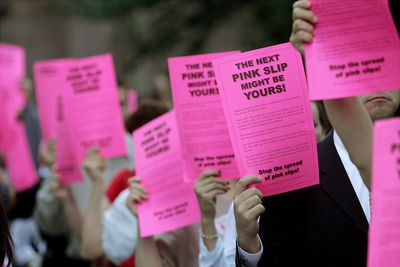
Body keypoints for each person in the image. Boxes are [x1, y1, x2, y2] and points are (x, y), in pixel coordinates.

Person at [234, 1, 400, 266]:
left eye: (381, 60)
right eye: (359, 64)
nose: (375, 78)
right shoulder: (295, 177)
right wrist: (249, 246)